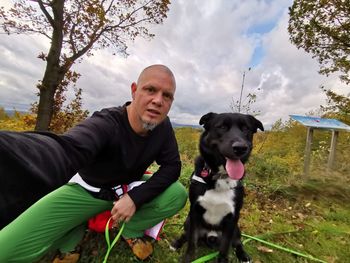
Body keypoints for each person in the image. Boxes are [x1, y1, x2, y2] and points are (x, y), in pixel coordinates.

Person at [0, 64, 188, 262]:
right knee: (5, 252)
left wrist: (135, 197)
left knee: (177, 194)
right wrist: (10, 150)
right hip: (86, 192)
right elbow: (66, 149)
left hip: (125, 189)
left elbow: (172, 166)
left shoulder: (163, 126)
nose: (158, 100)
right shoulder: (106, 122)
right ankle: (73, 231)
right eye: (150, 90)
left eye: (166, 95)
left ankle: (130, 229)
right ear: (134, 90)